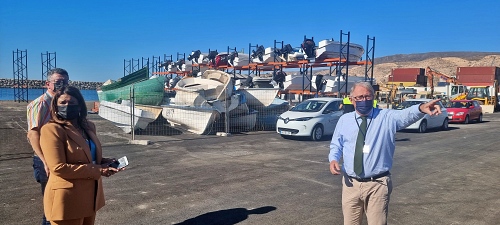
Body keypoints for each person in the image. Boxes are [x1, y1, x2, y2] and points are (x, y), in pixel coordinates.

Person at [328, 82, 441, 225]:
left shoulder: (386, 117)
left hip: (377, 184)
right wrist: (333, 159)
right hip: (351, 185)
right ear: (351, 100)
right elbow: (336, 144)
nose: (364, 100)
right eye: (360, 97)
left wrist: (420, 108)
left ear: (373, 97)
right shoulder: (345, 120)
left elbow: (404, 116)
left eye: (367, 97)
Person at [40, 86, 122, 225]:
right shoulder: (52, 130)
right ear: (55, 106)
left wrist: (105, 162)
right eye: (63, 103)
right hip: (67, 200)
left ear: (80, 106)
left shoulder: (88, 127)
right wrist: (99, 170)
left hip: (91, 197)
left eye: (72, 103)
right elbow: (59, 168)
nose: (67, 106)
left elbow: (88, 155)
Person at [27, 68, 69, 225]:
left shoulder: (62, 103)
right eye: (58, 82)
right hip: (45, 159)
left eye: (65, 81)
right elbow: (33, 134)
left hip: (61, 157)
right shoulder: (39, 104)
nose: (62, 84)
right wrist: (45, 161)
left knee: (62, 203)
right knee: (50, 207)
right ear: (47, 84)